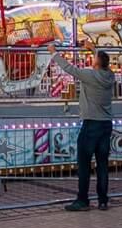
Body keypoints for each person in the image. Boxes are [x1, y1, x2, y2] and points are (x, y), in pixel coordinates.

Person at [47, 39, 114, 211]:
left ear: (96, 63)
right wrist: (94, 49)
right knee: (102, 164)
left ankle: (83, 199)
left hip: (91, 123)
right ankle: (103, 200)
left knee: (84, 163)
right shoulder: (110, 76)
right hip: (106, 124)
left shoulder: (89, 75)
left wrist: (54, 53)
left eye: (94, 59)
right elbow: (102, 62)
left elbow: (69, 68)